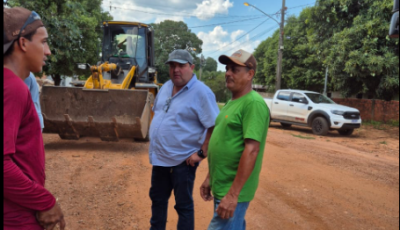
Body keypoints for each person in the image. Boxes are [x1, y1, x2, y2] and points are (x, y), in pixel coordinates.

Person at [3, 7, 66, 230]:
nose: (47, 51)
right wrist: (45, 202)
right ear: (22, 43)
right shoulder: (12, 88)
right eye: (43, 42)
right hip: (15, 216)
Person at [148, 49, 220, 230]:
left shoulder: (202, 92)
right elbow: (157, 113)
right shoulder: (165, 87)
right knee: (157, 201)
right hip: (160, 160)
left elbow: (214, 125)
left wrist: (202, 153)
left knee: (183, 206)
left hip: (182, 162)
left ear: (192, 67)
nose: (176, 70)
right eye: (172, 65)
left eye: (181, 65)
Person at [200, 49, 270, 230]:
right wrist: (210, 178)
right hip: (223, 186)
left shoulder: (253, 103)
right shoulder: (231, 102)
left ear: (250, 74)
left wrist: (233, 195)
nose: (227, 73)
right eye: (227, 69)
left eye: (234, 69)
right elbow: (222, 142)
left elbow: (252, 150)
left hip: (233, 192)